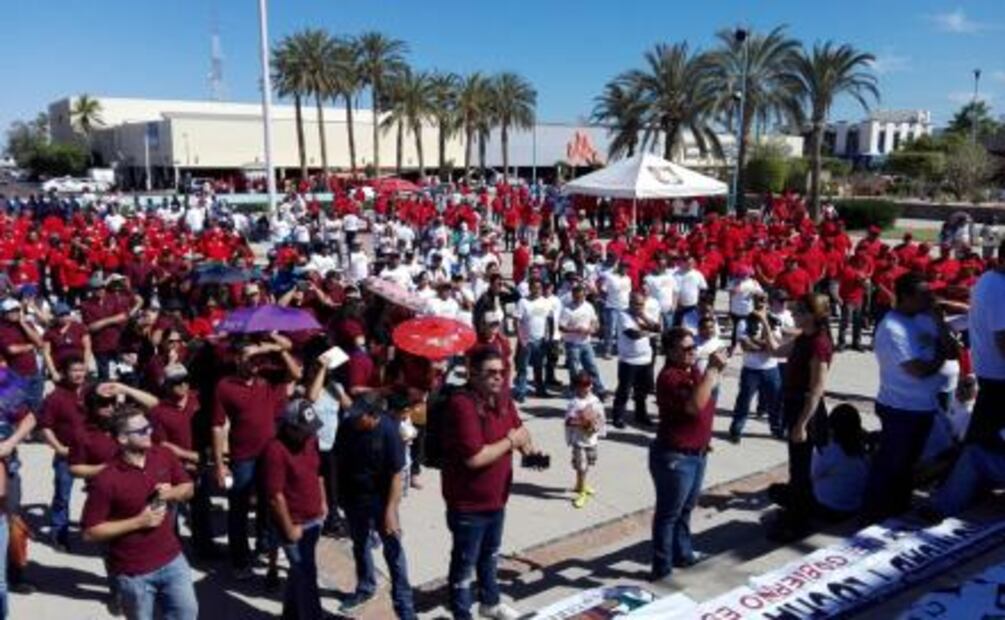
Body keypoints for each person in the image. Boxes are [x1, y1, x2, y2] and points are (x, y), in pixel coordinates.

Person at [442, 346, 537, 620]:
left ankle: (490, 602)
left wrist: (529, 450)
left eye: (502, 372)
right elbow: (474, 458)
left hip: (497, 497)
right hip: (468, 503)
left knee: (491, 555)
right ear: (472, 373)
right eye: (491, 373)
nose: (498, 377)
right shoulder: (462, 404)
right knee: (464, 564)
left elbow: (519, 430)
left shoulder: (503, 397)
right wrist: (511, 441)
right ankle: (462, 613)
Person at [81, 406, 197, 620]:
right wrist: (138, 522)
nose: (150, 432)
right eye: (142, 430)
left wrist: (170, 493)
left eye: (149, 427)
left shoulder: (163, 455)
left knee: (187, 614)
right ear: (123, 439)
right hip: (134, 573)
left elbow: (188, 487)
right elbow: (90, 531)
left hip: (173, 560)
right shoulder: (107, 480)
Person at [863, 273, 958, 522]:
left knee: (908, 465)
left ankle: (897, 509)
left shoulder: (926, 317)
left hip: (923, 407)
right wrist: (938, 357)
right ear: (905, 297)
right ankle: (875, 514)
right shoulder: (892, 327)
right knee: (891, 465)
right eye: (924, 294)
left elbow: (951, 350)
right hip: (900, 408)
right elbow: (917, 370)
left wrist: (938, 321)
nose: (931, 298)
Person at [211, 336, 301, 578]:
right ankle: (239, 559)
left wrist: (270, 347)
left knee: (268, 504)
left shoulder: (268, 376)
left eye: (257, 360)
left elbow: (296, 374)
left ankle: (264, 546)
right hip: (242, 457)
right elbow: (218, 426)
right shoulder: (224, 386)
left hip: (270, 454)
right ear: (237, 359)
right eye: (250, 359)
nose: (255, 364)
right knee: (238, 508)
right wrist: (220, 465)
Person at [928, 241, 1005, 517]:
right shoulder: (999, 288)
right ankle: (948, 498)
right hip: (999, 380)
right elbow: (1003, 340)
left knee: (979, 441)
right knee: (979, 444)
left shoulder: (989, 280)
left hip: (993, 377)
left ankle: (956, 491)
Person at [649, 327, 727, 581]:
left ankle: (682, 554)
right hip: (676, 457)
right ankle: (662, 569)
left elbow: (704, 400)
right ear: (670, 351)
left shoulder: (689, 370)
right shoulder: (670, 377)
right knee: (669, 514)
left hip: (697, 452)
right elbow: (694, 406)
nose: (693, 352)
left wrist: (704, 439)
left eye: (694, 347)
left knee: (686, 509)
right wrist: (713, 370)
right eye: (686, 348)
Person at [335, 396, 415, 619]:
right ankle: (366, 587)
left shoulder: (389, 432)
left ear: (373, 416)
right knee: (359, 545)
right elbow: (337, 459)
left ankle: (404, 604)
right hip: (354, 498)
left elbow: (396, 475)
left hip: (381, 500)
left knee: (394, 551)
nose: (353, 422)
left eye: (358, 418)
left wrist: (390, 512)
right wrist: (337, 495)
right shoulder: (348, 426)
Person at [764, 293, 833, 541]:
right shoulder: (806, 337)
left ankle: (798, 523)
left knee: (801, 469)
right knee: (798, 467)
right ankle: (797, 515)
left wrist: (802, 424)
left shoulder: (818, 344)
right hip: (795, 404)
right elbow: (774, 351)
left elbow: (816, 388)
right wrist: (763, 321)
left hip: (806, 409)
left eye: (799, 311)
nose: (793, 314)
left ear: (812, 315)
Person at [263, 399, 328, 620]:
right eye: (304, 430)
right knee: (307, 575)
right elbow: (275, 496)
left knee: (299, 573)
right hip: (295, 524)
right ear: (289, 427)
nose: (309, 434)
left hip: (314, 519)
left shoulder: (310, 439)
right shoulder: (275, 450)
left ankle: (290, 614)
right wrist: (289, 529)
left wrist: (323, 501)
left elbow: (317, 471)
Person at [38, 355, 88, 551]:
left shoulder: (91, 392)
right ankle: (60, 534)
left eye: (82, 370)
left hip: (93, 454)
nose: (79, 374)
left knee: (101, 492)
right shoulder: (55, 398)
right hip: (67, 455)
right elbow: (44, 427)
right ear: (65, 373)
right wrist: (58, 448)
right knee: (62, 496)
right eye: (75, 370)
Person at [728, 293, 782, 443]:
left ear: (768, 302)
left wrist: (761, 331)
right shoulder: (743, 322)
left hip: (771, 369)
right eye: (758, 299)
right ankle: (736, 430)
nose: (761, 302)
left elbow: (776, 343)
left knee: (775, 402)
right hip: (751, 369)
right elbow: (746, 346)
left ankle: (776, 428)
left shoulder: (774, 320)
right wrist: (765, 345)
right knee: (743, 402)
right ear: (752, 301)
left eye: (764, 300)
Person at [611, 291, 660, 429]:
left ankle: (641, 415)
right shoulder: (623, 315)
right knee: (624, 391)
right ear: (630, 303)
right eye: (636, 304)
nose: (639, 307)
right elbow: (633, 334)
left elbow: (658, 328)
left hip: (645, 358)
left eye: (641, 304)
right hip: (629, 360)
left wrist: (644, 317)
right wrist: (649, 332)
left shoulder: (644, 315)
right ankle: (618, 416)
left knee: (642, 391)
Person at [565, 371, 606, 509]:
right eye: (581, 385)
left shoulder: (595, 400)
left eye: (587, 384)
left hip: (591, 440)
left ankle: (579, 484)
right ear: (576, 387)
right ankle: (582, 492)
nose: (585, 388)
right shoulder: (574, 403)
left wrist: (595, 425)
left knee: (588, 462)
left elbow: (601, 418)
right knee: (581, 465)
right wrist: (582, 422)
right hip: (579, 441)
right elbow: (568, 421)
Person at [559, 284, 606, 397]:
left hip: (586, 343)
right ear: (573, 296)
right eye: (576, 297)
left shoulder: (588, 306)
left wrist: (593, 328)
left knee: (592, 367)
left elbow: (594, 320)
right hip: (572, 344)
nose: (579, 299)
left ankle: (599, 389)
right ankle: (575, 390)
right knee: (574, 369)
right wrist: (576, 330)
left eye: (581, 296)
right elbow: (561, 327)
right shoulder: (567, 309)